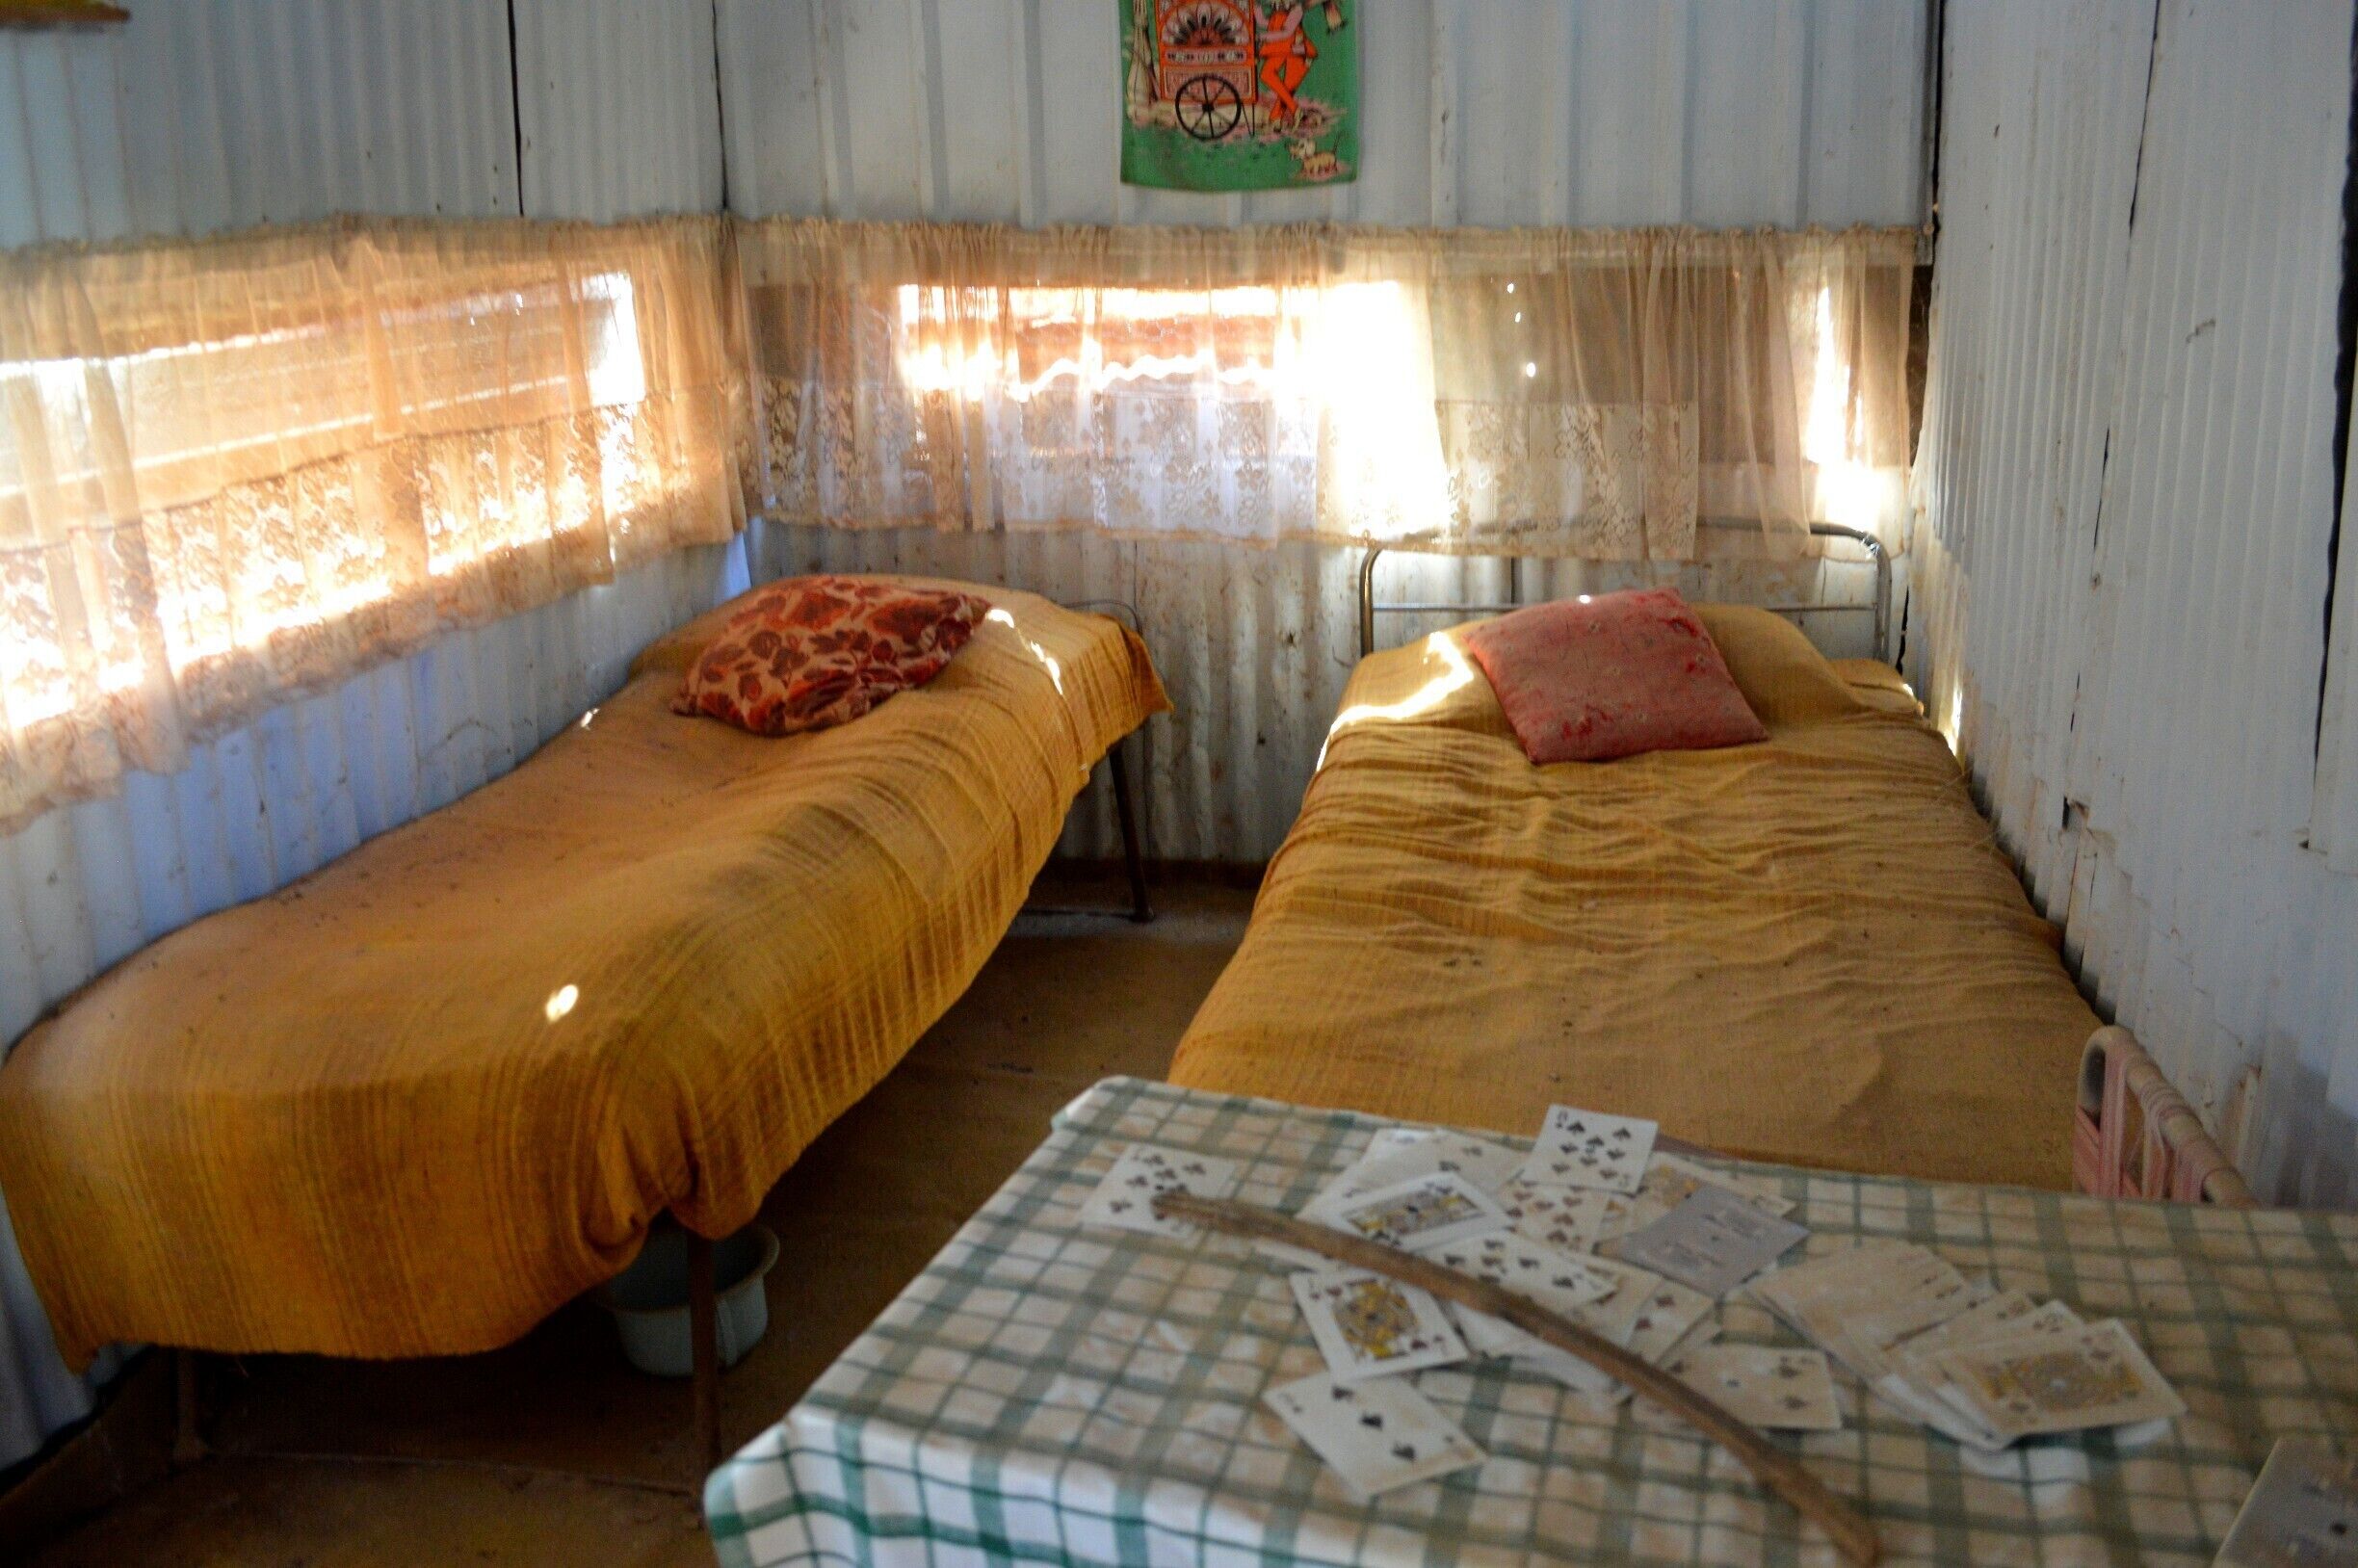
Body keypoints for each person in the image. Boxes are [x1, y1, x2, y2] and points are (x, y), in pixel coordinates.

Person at [1258, 3, 1316, 129]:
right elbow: (1262, 22)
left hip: (1296, 48)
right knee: (1267, 74)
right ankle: (1291, 111)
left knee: (1288, 86)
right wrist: (1254, 5)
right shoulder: (1277, 13)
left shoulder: (1296, 9)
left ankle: (1277, 118)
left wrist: (1260, 37)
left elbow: (1285, 33)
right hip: (1282, 47)